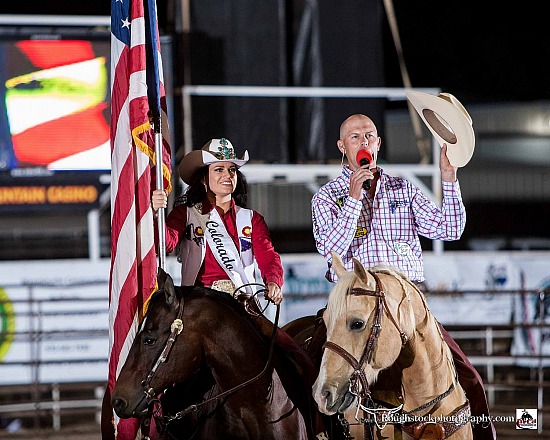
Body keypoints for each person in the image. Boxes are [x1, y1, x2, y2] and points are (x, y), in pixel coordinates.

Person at [310, 113, 496, 440]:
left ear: (378, 144)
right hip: (355, 312)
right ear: (342, 147)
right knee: (313, 374)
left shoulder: (402, 188)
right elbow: (331, 251)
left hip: (408, 311)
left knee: (470, 378)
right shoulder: (327, 197)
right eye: (355, 137)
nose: (363, 142)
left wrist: (448, 177)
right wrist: (354, 200)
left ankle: (482, 433)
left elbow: (449, 228)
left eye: (369, 136)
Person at [152, 137, 330, 439]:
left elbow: (267, 254)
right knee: (169, 369)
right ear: (204, 179)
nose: (227, 176)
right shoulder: (187, 215)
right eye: (219, 169)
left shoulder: (251, 219)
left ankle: (319, 425)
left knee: (293, 355)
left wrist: (273, 281)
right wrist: (156, 212)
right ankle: (161, 428)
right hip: (200, 310)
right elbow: (167, 242)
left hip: (243, 305)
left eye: (232, 170)